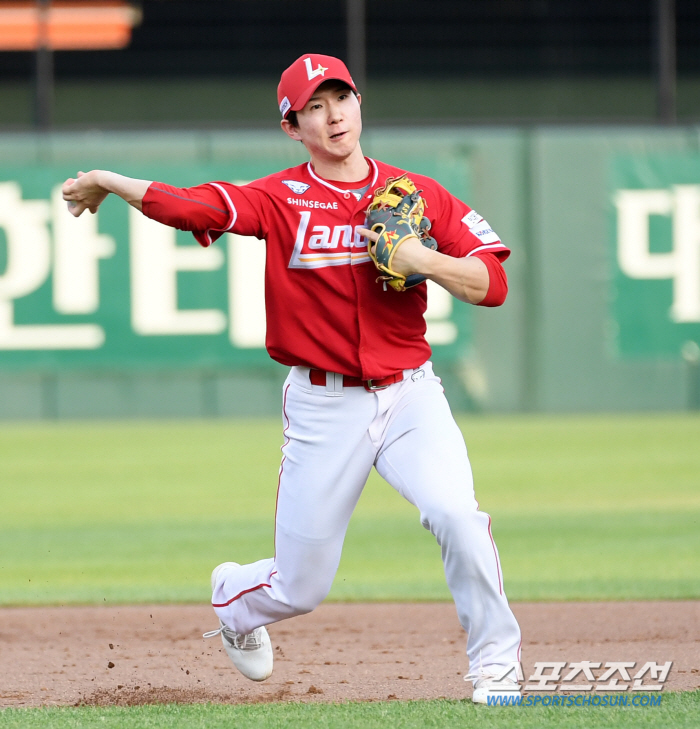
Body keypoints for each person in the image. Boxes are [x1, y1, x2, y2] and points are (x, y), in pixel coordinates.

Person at [62, 53, 522, 704]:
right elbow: (197, 207)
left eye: (342, 97)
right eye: (314, 106)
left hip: (411, 393)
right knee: (300, 587)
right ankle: (234, 600)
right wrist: (110, 179)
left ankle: (497, 667)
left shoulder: (414, 196)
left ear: (360, 103)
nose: (333, 115)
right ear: (292, 127)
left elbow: (493, 282)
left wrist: (421, 257)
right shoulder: (281, 198)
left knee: (457, 514)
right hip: (322, 404)